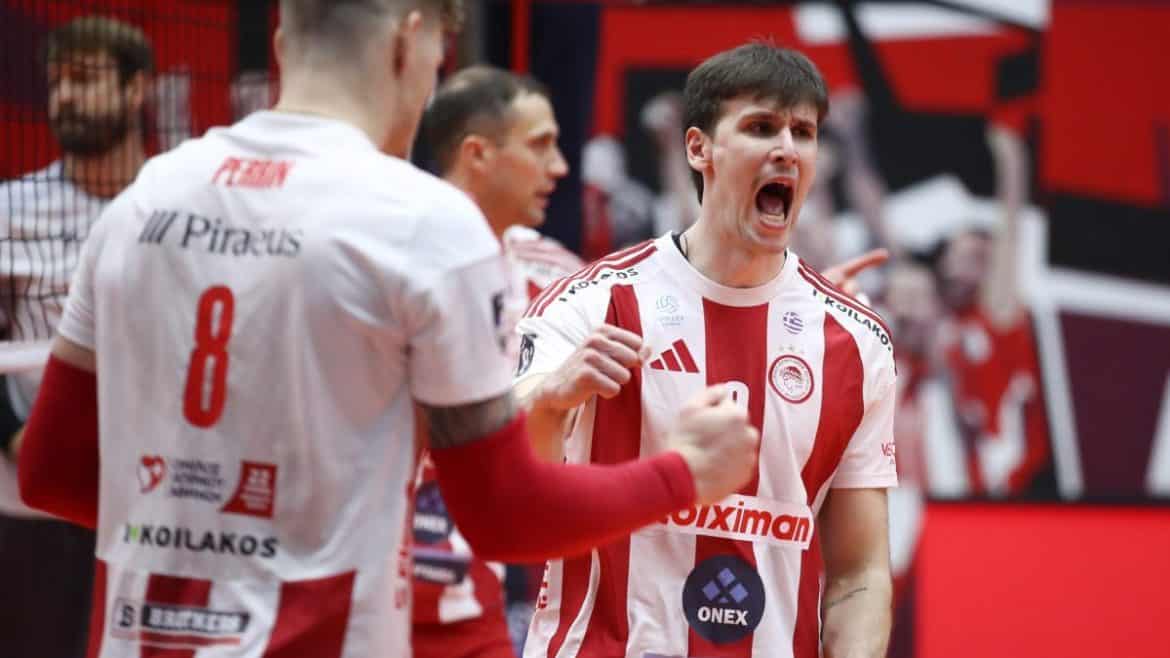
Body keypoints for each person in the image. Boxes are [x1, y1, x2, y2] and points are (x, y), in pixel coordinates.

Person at [15, 2, 760, 657]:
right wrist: (683, 472)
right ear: (408, 42)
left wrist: (210, 523)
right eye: (436, 57)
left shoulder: (142, 201)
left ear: (282, 43)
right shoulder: (421, 223)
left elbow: (48, 471)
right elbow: (505, 515)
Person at [516, 43, 898, 658]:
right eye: (761, 127)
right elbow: (501, 467)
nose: (787, 148)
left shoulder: (856, 343)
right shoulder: (596, 302)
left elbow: (859, 574)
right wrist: (553, 395)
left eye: (803, 132)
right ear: (699, 149)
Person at [411, 66, 582, 658]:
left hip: (484, 589)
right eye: (540, 145)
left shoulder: (558, 276)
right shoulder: (393, 256)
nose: (559, 167)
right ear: (477, 154)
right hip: (378, 580)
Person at [0, 15, 152, 658]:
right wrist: (15, 434)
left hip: (151, 503)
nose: (64, 96)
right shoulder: (10, 209)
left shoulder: (173, 203)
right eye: (57, 81)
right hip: (28, 506)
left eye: (85, 78)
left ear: (136, 89)